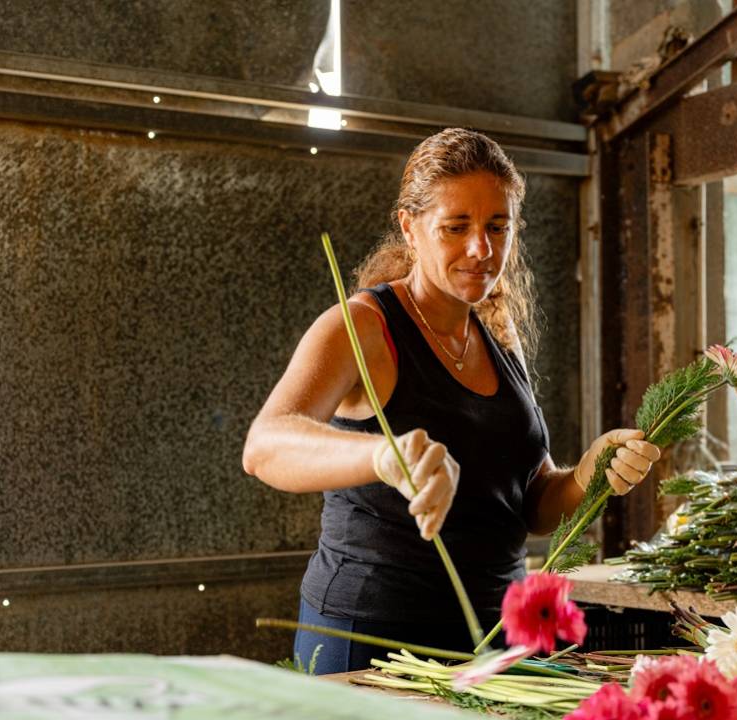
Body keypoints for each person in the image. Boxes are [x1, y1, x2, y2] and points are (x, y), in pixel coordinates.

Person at [242, 128, 660, 674]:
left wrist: (587, 471)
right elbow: (265, 445)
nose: (481, 249)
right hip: (376, 639)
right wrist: (382, 458)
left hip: (491, 636)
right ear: (409, 228)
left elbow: (529, 503)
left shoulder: (494, 331)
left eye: (497, 226)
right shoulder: (363, 327)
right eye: (456, 227)